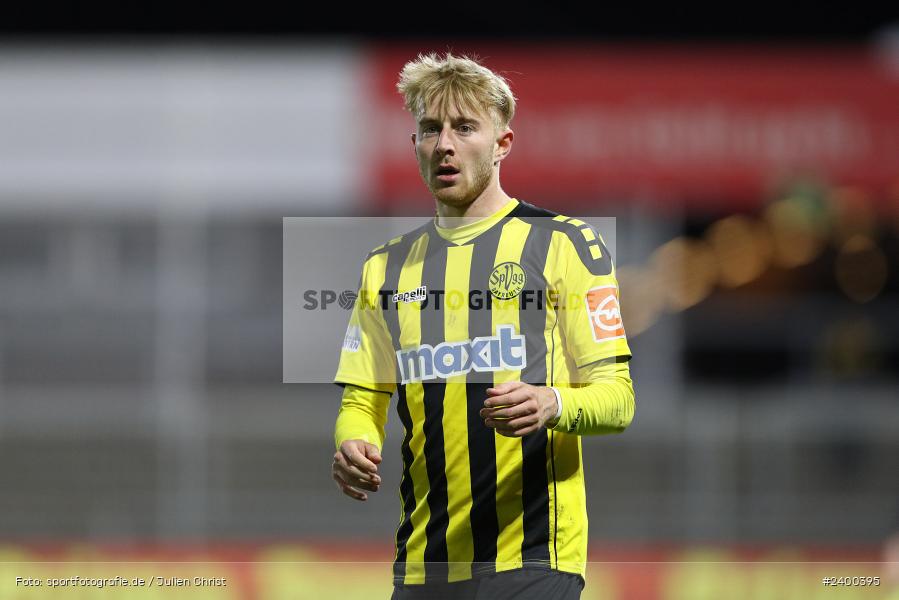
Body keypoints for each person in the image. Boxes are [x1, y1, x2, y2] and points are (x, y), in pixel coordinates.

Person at [331, 52, 635, 600]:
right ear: (415, 146)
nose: (444, 144)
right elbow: (363, 401)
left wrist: (552, 403)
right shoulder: (387, 267)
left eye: (465, 128)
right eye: (430, 129)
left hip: (534, 556)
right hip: (424, 562)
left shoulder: (565, 244)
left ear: (502, 144)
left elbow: (618, 399)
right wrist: (354, 445)